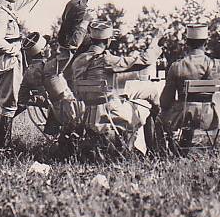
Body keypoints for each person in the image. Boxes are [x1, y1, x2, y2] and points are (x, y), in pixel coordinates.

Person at [0, 0, 62, 148]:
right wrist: (14, 49)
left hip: (12, 60)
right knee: (10, 104)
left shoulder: (8, 6)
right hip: (7, 61)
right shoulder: (0, 13)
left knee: (16, 102)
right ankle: (3, 147)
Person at [69, 21, 163, 154]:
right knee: (145, 106)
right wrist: (155, 40)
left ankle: (125, 147)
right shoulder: (106, 60)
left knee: (125, 98)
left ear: (91, 38)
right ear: (108, 40)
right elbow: (144, 61)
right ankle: (147, 150)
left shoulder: (79, 60)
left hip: (88, 112)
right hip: (109, 112)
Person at [159, 23, 220, 146]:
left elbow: (165, 101)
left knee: (158, 117)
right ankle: (186, 144)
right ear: (205, 44)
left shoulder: (176, 67)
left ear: (187, 44)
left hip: (182, 117)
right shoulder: (216, 65)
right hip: (208, 118)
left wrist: (167, 108)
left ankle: (164, 152)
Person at [17, 32, 77, 136]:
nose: (49, 47)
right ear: (43, 51)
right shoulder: (49, 67)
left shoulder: (28, 72)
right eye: (47, 46)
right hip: (65, 110)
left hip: (52, 111)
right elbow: (69, 53)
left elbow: (22, 98)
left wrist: (36, 99)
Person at [57, 0, 99, 72]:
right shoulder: (80, 7)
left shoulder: (71, 3)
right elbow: (78, 40)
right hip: (78, 63)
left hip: (67, 60)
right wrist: (101, 37)